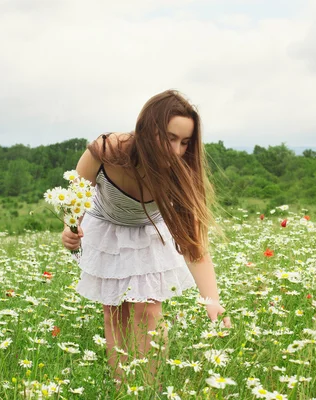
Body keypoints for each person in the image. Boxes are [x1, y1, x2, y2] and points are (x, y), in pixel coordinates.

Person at [61, 89, 230, 384]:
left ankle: (148, 387)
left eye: (185, 142)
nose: (177, 150)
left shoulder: (180, 174)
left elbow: (194, 246)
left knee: (149, 309)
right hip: (108, 228)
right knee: (115, 313)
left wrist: (211, 300)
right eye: (170, 138)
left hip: (149, 229)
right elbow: (76, 194)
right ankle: (123, 387)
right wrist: (71, 227)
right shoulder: (106, 150)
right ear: (147, 130)